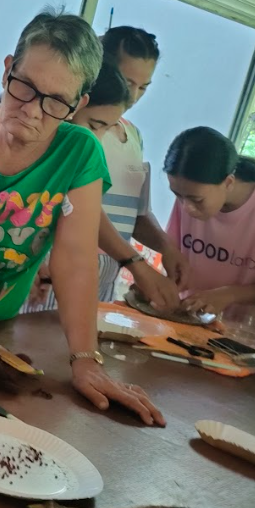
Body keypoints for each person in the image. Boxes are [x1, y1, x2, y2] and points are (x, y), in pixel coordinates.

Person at [0, 9, 165, 427]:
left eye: (57, 101)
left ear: (79, 104)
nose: (33, 111)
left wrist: (85, 360)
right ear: (7, 71)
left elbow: (75, 260)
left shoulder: (79, 154)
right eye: (24, 87)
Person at [94, 27, 188, 310]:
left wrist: (166, 245)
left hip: (105, 279)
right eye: (127, 81)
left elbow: (136, 214)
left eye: (144, 87)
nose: (133, 95)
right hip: (61, 271)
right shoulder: (79, 129)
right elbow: (81, 206)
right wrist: (135, 263)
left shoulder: (133, 137)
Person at [164, 127, 255, 315]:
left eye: (197, 200)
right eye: (178, 196)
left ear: (228, 183)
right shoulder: (187, 194)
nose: (186, 208)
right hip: (187, 319)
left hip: (241, 334)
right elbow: (173, 252)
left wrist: (228, 295)